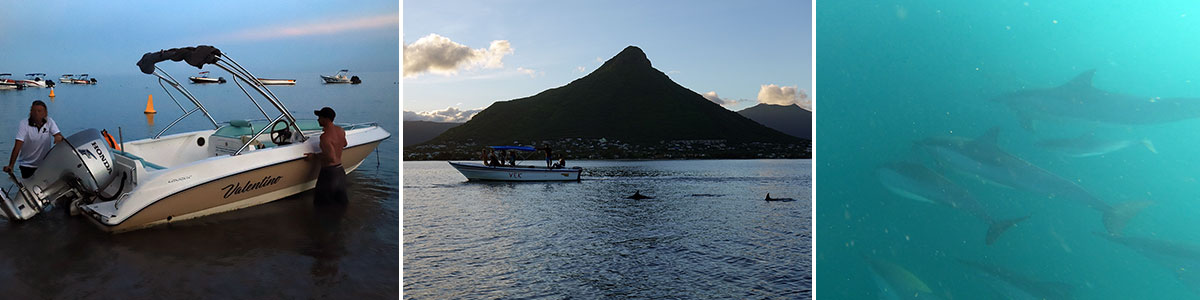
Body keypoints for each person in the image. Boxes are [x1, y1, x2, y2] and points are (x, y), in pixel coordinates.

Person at [4, 100, 63, 179]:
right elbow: (17, 145)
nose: (36, 113)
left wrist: (58, 137)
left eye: (39, 111)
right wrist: (11, 165)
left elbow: (58, 135)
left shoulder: (49, 122)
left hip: (44, 164)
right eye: (34, 111)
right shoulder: (24, 124)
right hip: (27, 165)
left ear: (45, 113)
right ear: (30, 112)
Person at [305, 107, 348, 204]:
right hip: (340, 172)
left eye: (319, 117)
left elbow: (330, 158)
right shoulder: (340, 130)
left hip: (329, 175)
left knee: (322, 206)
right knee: (340, 204)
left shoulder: (325, 137)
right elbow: (344, 144)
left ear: (326, 119)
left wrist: (314, 156)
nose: (318, 119)